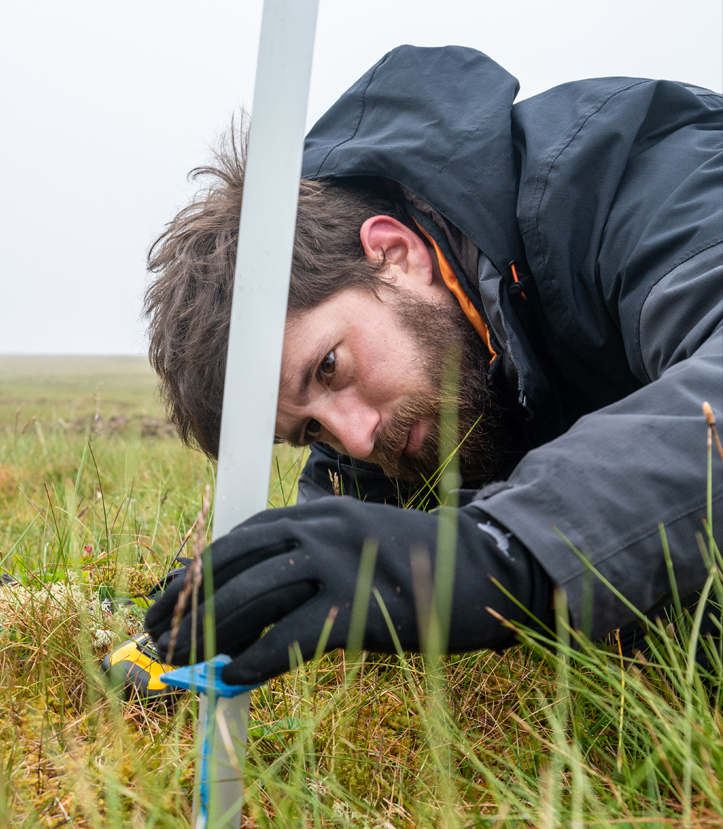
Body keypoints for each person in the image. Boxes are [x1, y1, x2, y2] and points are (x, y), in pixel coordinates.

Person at [144, 45, 722, 685]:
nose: (356, 437)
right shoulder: (398, 396)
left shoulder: (635, 175)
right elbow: (340, 532)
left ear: (394, 252)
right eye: (309, 430)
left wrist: (502, 552)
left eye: (329, 368)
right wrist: (205, 611)